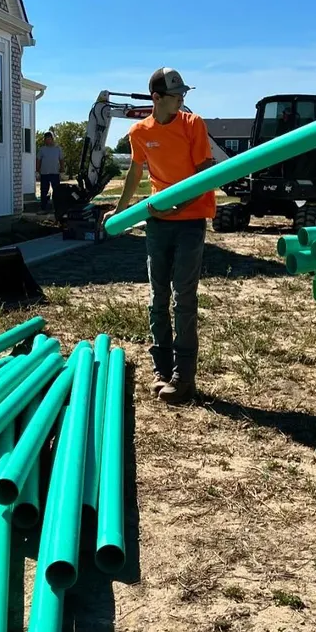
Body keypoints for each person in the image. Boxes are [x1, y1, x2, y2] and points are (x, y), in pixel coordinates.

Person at [113, 67, 215, 405]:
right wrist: (120, 210)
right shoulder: (140, 132)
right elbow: (135, 171)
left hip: (190, 220)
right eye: (176, 95)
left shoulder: (193, 125)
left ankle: (183, 377)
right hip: (158, 222)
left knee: (183, 297)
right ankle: (162, 369)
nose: (182, 100)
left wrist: (175, 206)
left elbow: (203, 174)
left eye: (183, 94)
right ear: (157, 98)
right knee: (157, 296)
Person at [36, 131, 64, 211]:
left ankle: (57, 208)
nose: (48, 140)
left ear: (52, 139)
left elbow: (61, 160)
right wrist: (37, 171)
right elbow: (38, 160)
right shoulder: (42, 149)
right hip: (44, 174)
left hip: (55, 173)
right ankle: (43, 208)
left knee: (57, 191)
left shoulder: (58, 149)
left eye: (49, 139)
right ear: (44, 140)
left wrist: (62, 171)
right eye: (46, 139)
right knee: (44, 191)